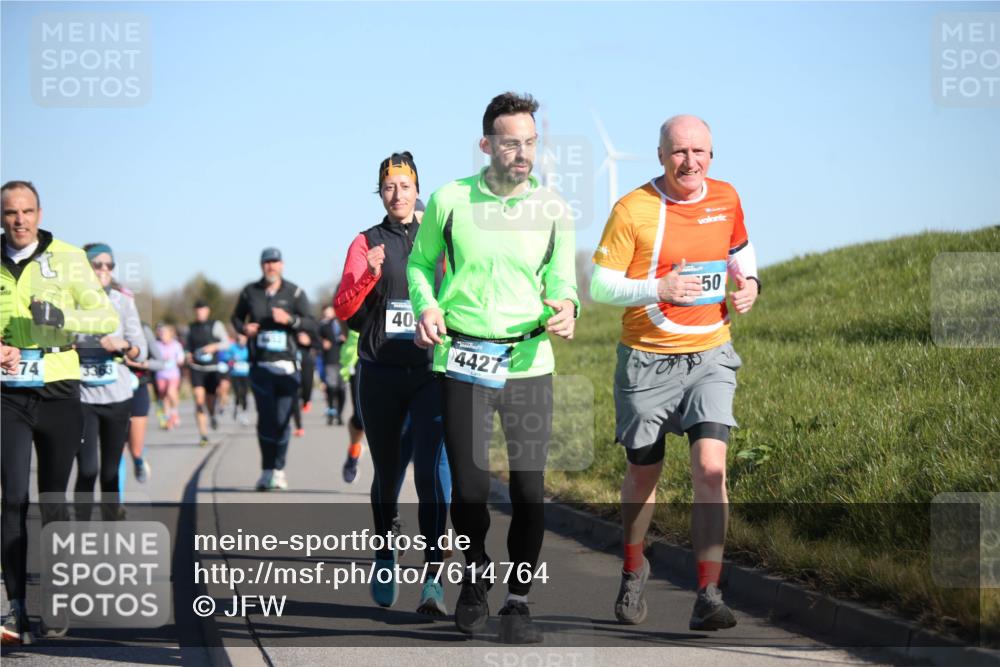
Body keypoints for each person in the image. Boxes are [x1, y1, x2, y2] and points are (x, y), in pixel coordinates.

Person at [407, 93, 579, 643]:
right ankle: (476, 572)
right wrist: (426, 305)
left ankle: (519, 600)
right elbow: (419, 263)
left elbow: (562, 278)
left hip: (529, 359)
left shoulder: (553, 208)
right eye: (510, 143)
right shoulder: (449, 199)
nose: (522, 153)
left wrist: (567, 305)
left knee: (528, 488)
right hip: (464, 358)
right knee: (471, 486)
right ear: (486, 145)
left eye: (530, 142)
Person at [589, 115, 760, 631]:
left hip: (711, 355)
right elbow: (600, 285)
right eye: (679, 152)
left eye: (699, 151)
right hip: (647, 359)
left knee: (711, 470)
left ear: (712, 155)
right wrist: (657, 289)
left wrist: (750, 281)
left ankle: (708, 592)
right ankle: (633, 564)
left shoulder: (726, 197)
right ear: (661, 156)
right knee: (644, 474)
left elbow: (739, 249)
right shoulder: (633, 209)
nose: (690, 162)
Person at [1, 180, 119, 645]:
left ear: (40, 213)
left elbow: (106, 318)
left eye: (27, 211)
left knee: (53, 499)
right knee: (13, 498)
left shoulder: (68, 258)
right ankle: (15, 609)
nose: (20, 220)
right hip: (8, 394)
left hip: (59, 389)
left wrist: (62, 319)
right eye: (11, 212)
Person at [334, 151, 452, 615]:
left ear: (417, 189)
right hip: (380, 372)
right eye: (388, 187)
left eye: (404, 186)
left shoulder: (440, 238)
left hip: (429, 371)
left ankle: (433, 578)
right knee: (387, 475)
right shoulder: (366, 241)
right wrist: (369, 272)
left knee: (431, 474)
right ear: (380, 193)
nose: (397, 194)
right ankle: (386, 551)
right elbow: (344, 308)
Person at [231, 247, 317, 491]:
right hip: (260, 366)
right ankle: (267, 470)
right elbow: (235, 318)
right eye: (267, 262)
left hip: (287, 367)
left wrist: (290, 320)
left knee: (281, 420)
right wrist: (244, 329)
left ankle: (279, 469)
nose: (271, 266)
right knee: (266, 419)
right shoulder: (250, 292)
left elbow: (311, 323)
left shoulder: (294, 292)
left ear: (282, 265)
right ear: (262, 266)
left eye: (275, 262)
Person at [74, 243, 148, 521]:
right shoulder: (71, 301)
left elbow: (141, 349)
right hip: (83, 397)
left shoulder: (123, 302)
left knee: (109, 471)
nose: (104, 269)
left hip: (117, 397)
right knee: (87, 469)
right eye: (97, 264)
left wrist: (123, 344)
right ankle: (80, 530)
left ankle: (110, 526)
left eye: (109, 265)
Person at [124, 320, 166, 482]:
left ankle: (138, 460)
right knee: (115, 452)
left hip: (137, 388)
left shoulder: (141, 328)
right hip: (109, 392)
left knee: (135, 448)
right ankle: (115, 497)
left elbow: (160, 363)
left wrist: (140, 363)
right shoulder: (98, 323)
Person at [186, 299, 228, 446]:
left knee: (210, 400)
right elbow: (187, 347)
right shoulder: (191, 327)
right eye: (197, 310)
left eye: (202, 309)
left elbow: (226, 343)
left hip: (212, 369)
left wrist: (213, 347)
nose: (200, 313)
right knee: (199, 401)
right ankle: (203, 435)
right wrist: (187, 354)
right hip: (197, 368)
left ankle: (212, 415)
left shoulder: (215, 325)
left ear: (207, 310)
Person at [317, 305, 347, 426]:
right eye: (326, 312)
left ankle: (339, 414)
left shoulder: (344, 323)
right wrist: (322, 342)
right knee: (331, 388)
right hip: (330, 359)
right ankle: (330, 413)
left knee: (342, 389)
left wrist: (346, 337)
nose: (328, 314)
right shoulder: (322, 326)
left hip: (343, 359)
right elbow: (315, 338)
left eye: (330, 312)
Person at [154, 323, 184, 429]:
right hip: (161, 374)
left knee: (171, 392)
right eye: (161, 333)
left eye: (165, 333)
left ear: (171, 334)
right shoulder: (157, 345)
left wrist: (177, 360)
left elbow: (181, 358)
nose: (163, 335)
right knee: (164, 396)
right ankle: (167, 419)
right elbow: (153, 358)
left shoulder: (176, 345)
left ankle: (174, 412)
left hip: (173, 374)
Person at [228, 332, 251, 425]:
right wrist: (232, 361)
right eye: (240, 340)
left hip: (246, 374)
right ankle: (236, 407)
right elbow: (227, 358)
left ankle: (244, 413)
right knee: (238, 393)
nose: (242, 342)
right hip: (235, 374)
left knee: (244, 394)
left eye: (244, 340)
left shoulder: (249, 348)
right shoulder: (232, 348)